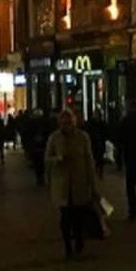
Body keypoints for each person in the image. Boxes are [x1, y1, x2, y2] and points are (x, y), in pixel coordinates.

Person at [45, 109, 98, 258]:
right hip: (61, 185)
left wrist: (92, 184)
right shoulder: (54, 138)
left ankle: (79, 239)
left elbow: (89, 161)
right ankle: (68, 244)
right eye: (63, 122)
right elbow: (47, 159)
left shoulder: (82, 137)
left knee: (79, 216)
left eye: (68, 122)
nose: (65, 125)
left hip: (79, 183)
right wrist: (57, 160)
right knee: (65, 217)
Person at [85, 108, 108, 178]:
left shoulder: (92, 123)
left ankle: (98, 171)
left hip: (98, 143)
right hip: (96, 143)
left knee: (99, 158)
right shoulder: (99, 123)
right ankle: (97, 171)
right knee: (97, 157)